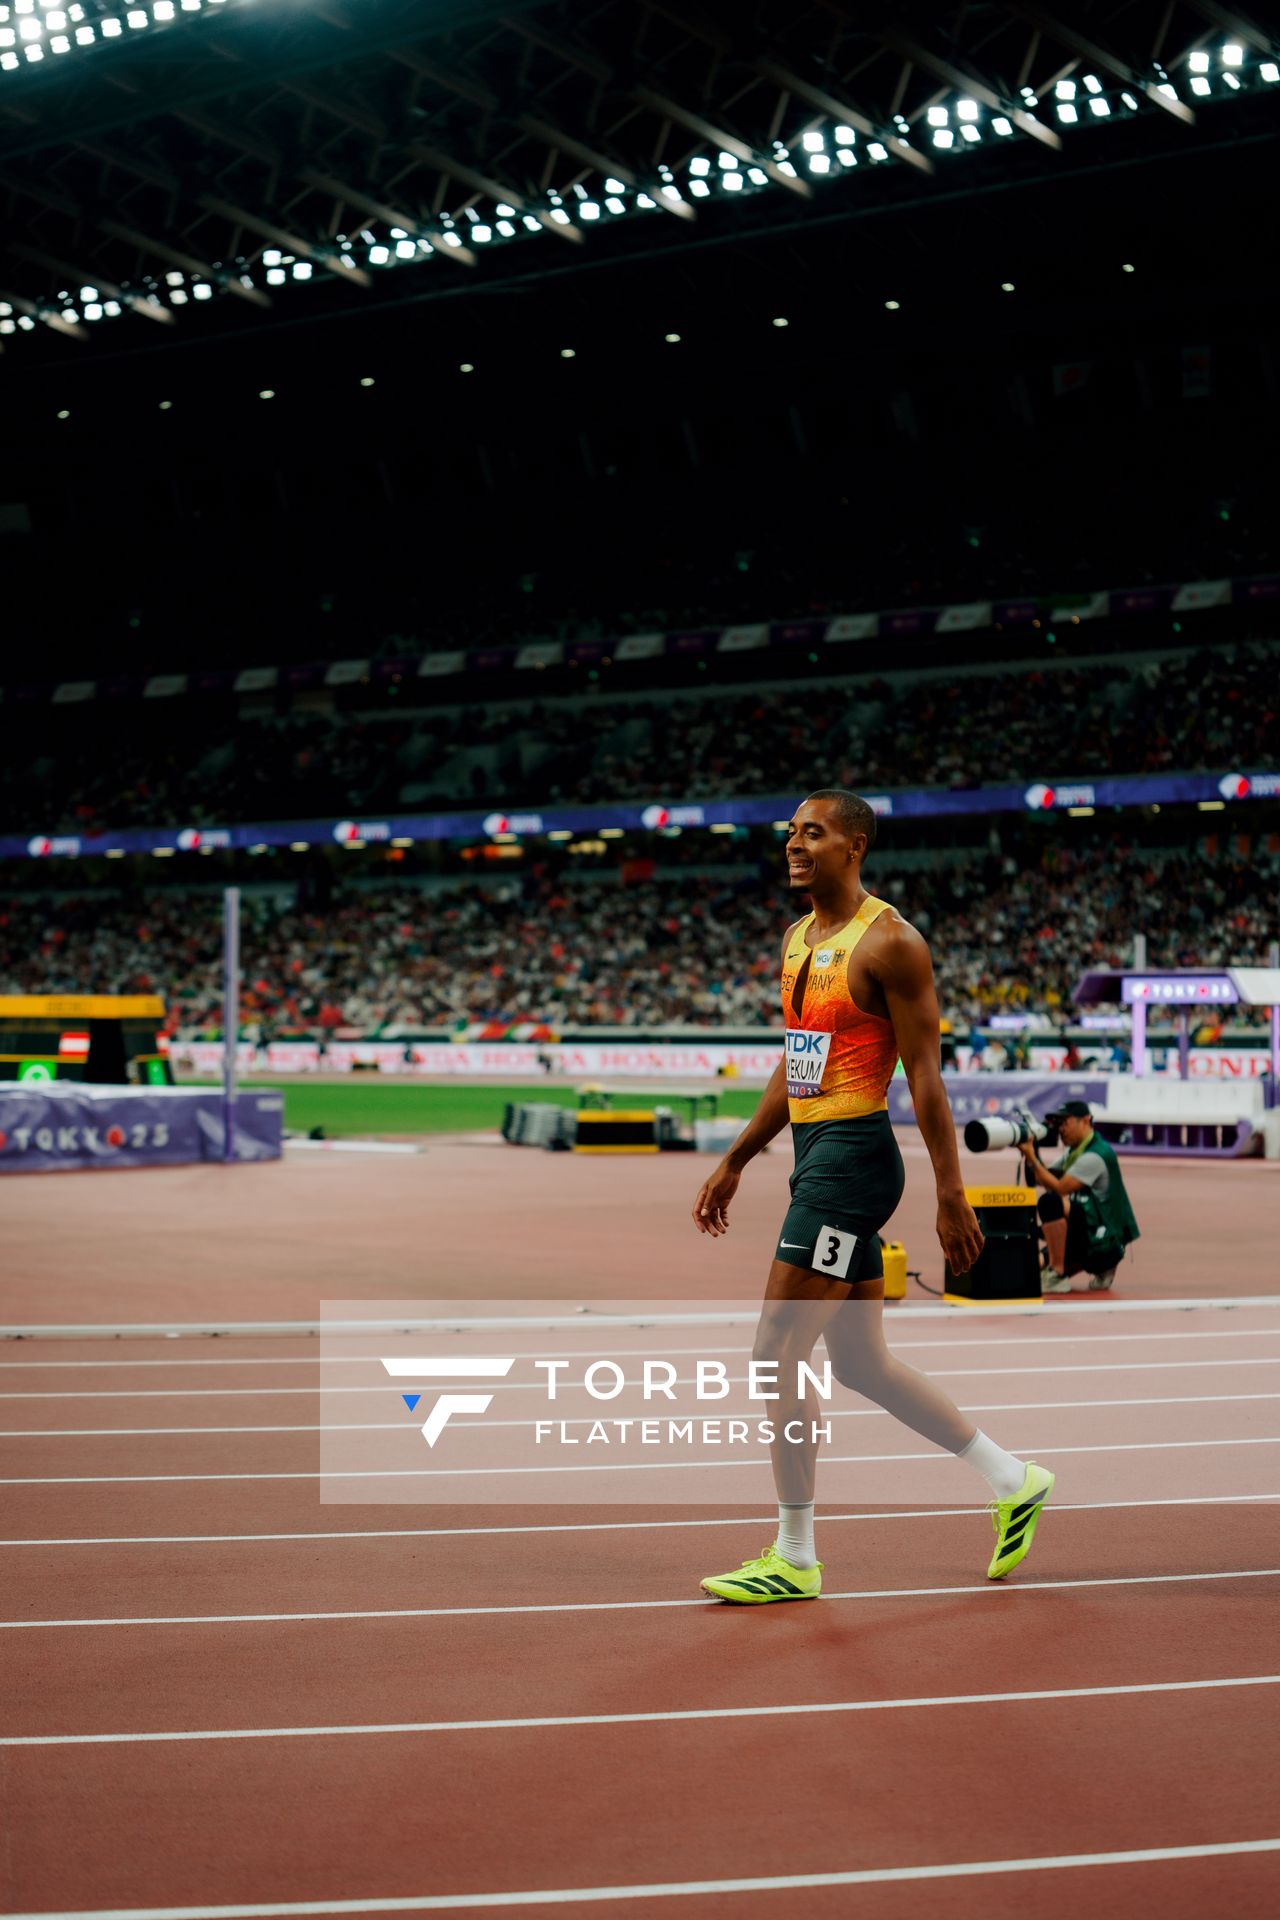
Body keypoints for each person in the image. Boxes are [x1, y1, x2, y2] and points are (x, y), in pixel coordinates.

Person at [691, 789, 1054, 1604]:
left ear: (854, 847)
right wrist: (740, 1157)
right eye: (790, 833)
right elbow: (800, 1065)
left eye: (812, 834)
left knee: (775, 1355)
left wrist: (952, 1194)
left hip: (853, 1163)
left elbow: (926, 1077)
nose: (794, 845)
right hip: (814, 1152)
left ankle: (794, 1555)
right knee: (859, 1363)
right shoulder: (796, 941)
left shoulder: (890, 942)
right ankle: (1013, 1478)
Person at [1019, 1099, 1140, 1294]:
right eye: (1058, 1124)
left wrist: (1032, 1157)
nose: (1061, 1129)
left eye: (1065, 1122)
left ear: (1085, 1120)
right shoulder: (1076, 1152)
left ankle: (1057, 1274)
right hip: (1090, 1234)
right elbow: (1039, 1178)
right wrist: (1032, 1152)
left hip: (1104, 1243)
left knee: (1050, 1203)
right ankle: (1063, 1268)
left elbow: (1058, 1188)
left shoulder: (1095, 1155)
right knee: (1027, 1270)